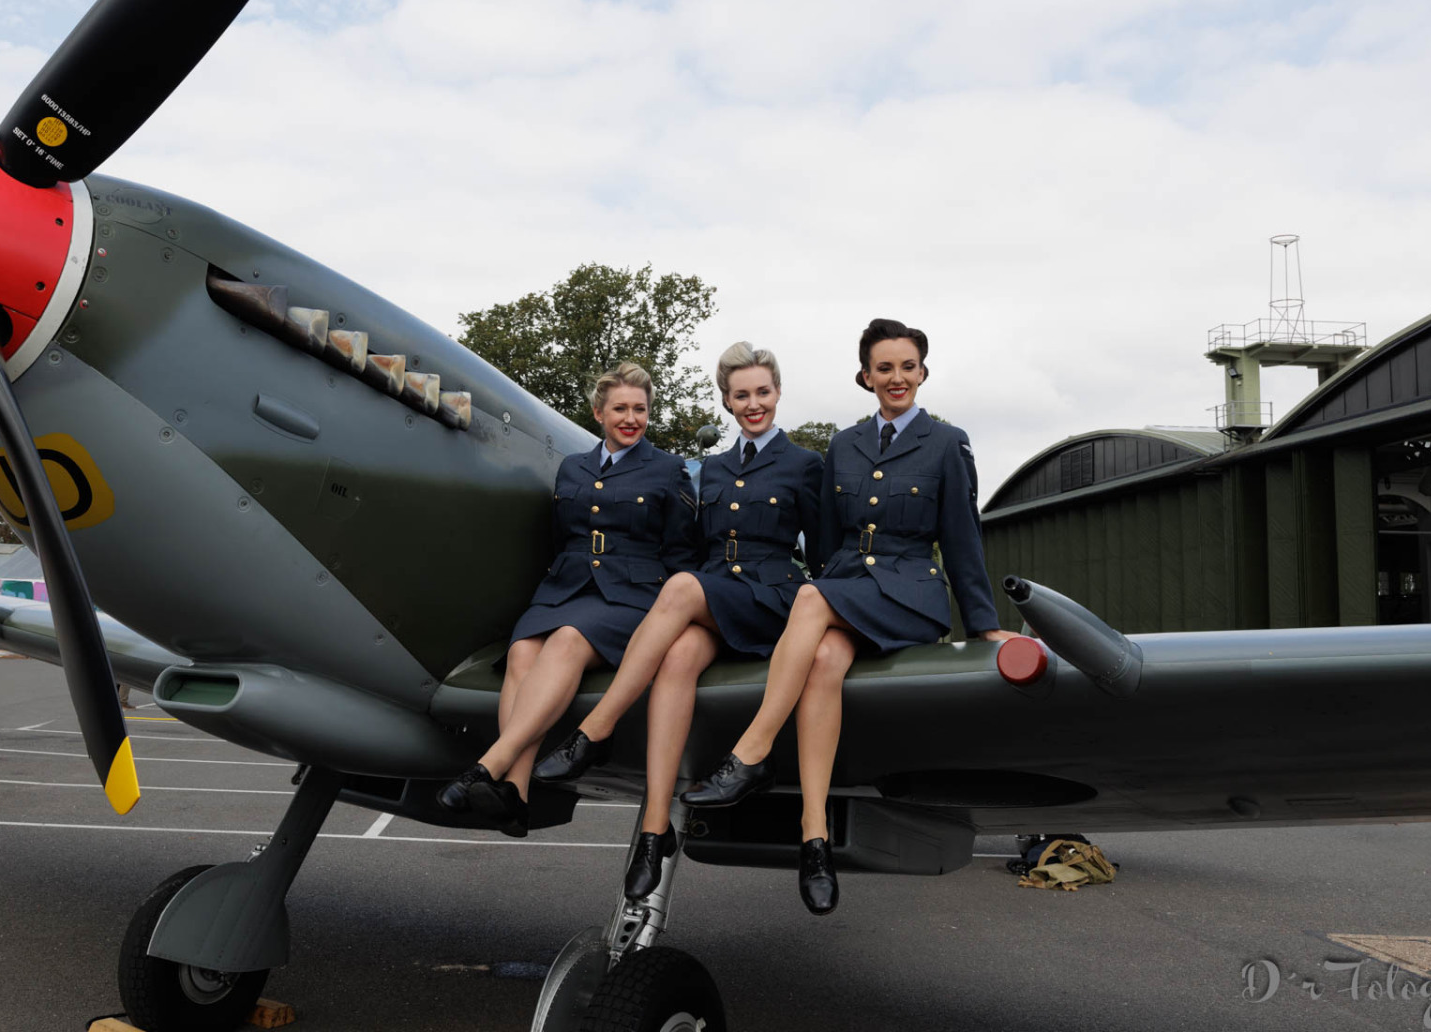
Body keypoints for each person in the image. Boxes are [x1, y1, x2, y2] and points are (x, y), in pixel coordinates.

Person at [681, 318, 1020, 914]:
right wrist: (824, 602)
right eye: (884, 368)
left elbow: (962, 539)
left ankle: (751, 753)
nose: (897, 377)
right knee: (824, 659)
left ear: (923, 372)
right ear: (866, 377)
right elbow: (827, 542)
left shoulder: (947, 442)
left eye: (907, 367)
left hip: (911, 593)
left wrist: (981, 623)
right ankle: (815, 839)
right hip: (849, 589)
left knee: (812, 599)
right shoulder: (844, 445)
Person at [532, 341, 823, 899]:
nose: (754, 404)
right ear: (727, 402)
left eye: (763, 392)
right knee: (678, 657)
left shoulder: (805, 464)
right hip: (717, 596)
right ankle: (653, 830)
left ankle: (596, 729)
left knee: (683, 586)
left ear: (778, 394)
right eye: (742, 395)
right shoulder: (712, 469)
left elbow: (826, 554)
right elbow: (692, 545)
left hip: (771, 599)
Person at [437, 362, 699, 835]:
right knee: (522, 651)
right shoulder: (572, 466)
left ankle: (488, 766)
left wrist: (674, 620)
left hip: (631, 595)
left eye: (640, 409)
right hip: (566, 586)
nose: (631, 418)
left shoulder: (668, 469)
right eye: (620, 408)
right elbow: (563, 537)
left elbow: (681, 552)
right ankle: (516, 793)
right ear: (599, 412)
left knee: (567, 642)